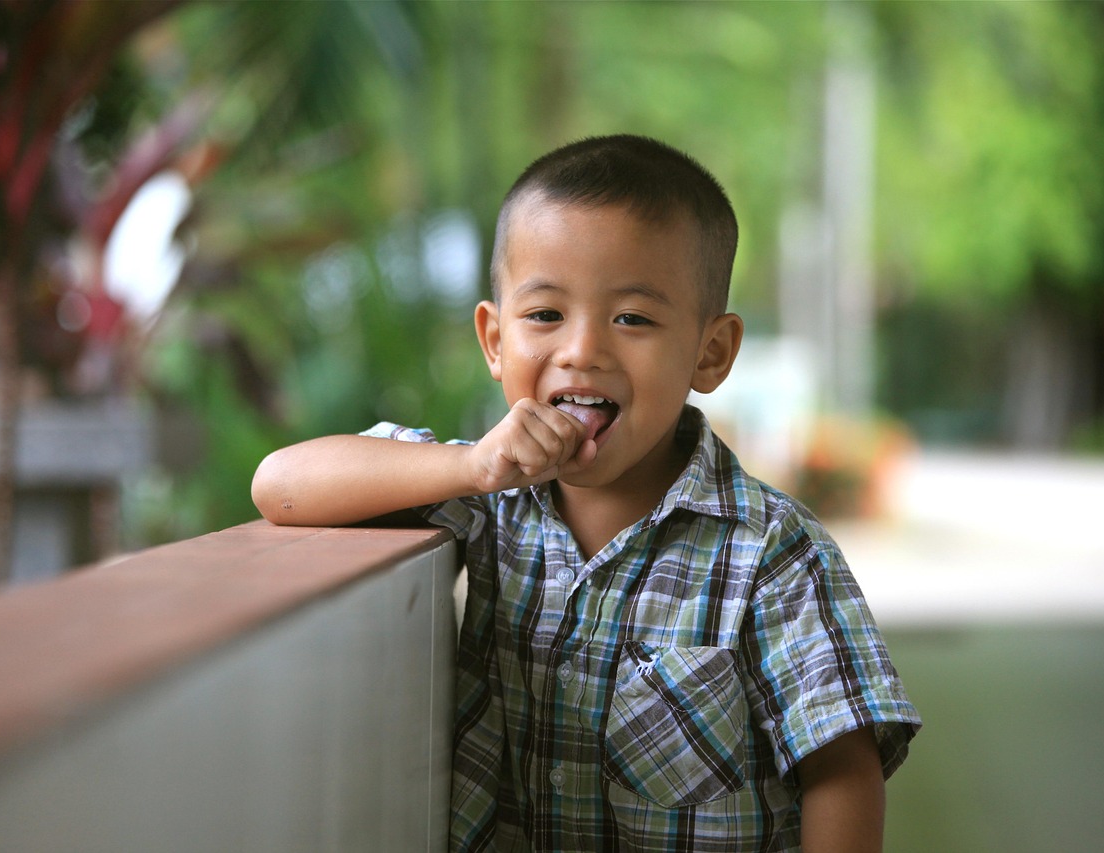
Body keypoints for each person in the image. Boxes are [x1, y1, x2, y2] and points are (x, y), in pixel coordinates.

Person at [252, 134, 920, 852]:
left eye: (632, 318)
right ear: (494, 339)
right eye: (545, 315)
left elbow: (842, 771)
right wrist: (470, 467)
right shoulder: (487, 495)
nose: (582, 350)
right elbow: (281, 486)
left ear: (711, 352)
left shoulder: (772, 553)